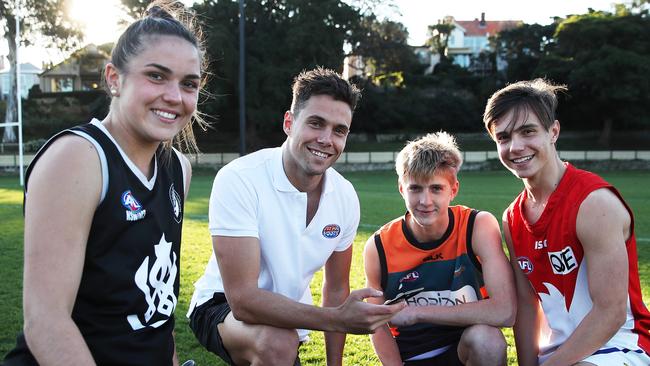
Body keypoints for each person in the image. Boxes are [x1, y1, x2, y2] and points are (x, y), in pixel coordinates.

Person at [3, 1, 207, 365]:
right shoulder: (77, 158)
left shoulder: (178, 167)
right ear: (114, 78)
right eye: (157, 76)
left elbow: (156, 312)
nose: (175, 97)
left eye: (188, 84)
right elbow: (46, 322)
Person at [186, 67, 405, 366]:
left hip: (288, 316)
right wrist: (336, 320)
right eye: (316, 123)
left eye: (339, 130)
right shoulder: (240, 178)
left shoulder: (344, 196)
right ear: (289, 123)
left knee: (281, 342)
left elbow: (337, 288)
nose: (327, 139)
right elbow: (243, 300)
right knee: (278, 344)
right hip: (219, 304)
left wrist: (334, 363)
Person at [483, 79, 650, 366]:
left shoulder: (593, 202)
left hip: (618, 345)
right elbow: (526, 306)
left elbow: (610, 313)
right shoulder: (512, 219)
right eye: (504, 137)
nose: (516, 146)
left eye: (528, 131)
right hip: (558, 353)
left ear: (553, 131)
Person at [363, 132, 516, 366]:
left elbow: (505, 311)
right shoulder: (379, 245)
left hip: (464, 350)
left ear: (453, 190)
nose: (425, 201)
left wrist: (419, 312)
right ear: (402, 189)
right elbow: (377, 324)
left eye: (436, 188)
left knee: (488, 340)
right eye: (415, 188)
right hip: (411, 356)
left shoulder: (477, 226)